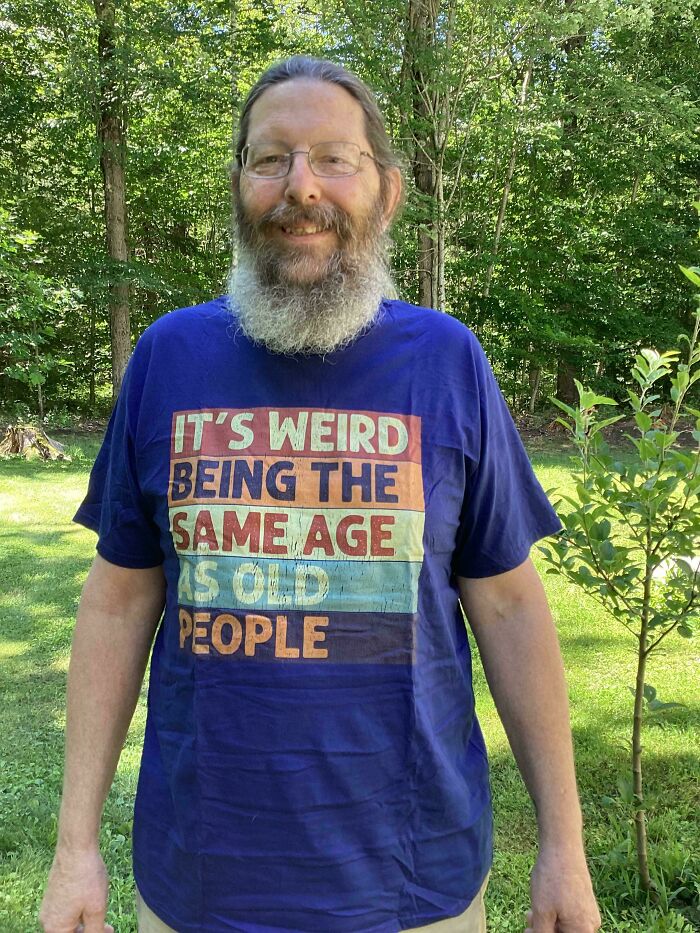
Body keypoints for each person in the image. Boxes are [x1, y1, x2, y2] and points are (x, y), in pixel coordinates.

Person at [39, 56, 601, 933]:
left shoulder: (447, 362)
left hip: (415, 885)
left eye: (334, 158)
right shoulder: (169, 357)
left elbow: (511, 607)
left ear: (389, 191)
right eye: (271, 159)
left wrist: (564, 846)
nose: (300, 187)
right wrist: (75, 848)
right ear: (239, 185)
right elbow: (117, 602)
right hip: (198, 882)